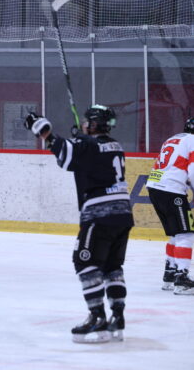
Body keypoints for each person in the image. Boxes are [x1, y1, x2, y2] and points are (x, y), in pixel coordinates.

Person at [24, 105, 134, 343]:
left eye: (87, 121)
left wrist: (38, 125)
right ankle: (118, 317)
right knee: (112, 267)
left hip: (99, 213)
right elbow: (88, 154)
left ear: (94, 124)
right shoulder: (116, 146)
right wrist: (79, 138)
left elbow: (59, 148)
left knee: (84, 261)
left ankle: (97, 318)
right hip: (123, 214)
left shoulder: (86, 145)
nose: (83, 123)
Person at [146, 117, 194, 295]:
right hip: (171, 190)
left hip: (155, 187)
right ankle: (182, 279)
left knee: (176, 232)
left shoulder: (173, 138)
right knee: (186, 233)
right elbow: (193, 170)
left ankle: (170, 274)